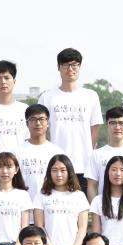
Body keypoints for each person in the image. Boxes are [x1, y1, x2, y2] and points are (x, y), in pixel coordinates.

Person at [37, 48, 102, 181]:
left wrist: (87, 151)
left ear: (80, 66)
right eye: (65, 65)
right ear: (58, 67)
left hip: (84, 164)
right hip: (55, 164)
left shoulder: (91, 96)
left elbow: (95, 128)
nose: (70, 69)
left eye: (74, 65)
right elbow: (42, 130)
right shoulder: (47, 97)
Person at [33, 154, 89, 245]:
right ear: (49, 173)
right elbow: (39, 227)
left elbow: (82, 228)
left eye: (63, 170)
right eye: (54, 170)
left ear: (69, 172)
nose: (58, 174)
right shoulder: (41, 195)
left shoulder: (79, 196)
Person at [17, 103, 64, 202]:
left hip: (50, 205)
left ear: (48, 123)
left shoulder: (57, 152)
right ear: (27, 124)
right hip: (23, 206)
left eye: (42, 119)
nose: (38, 123)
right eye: (33, 119)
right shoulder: (17, 152)